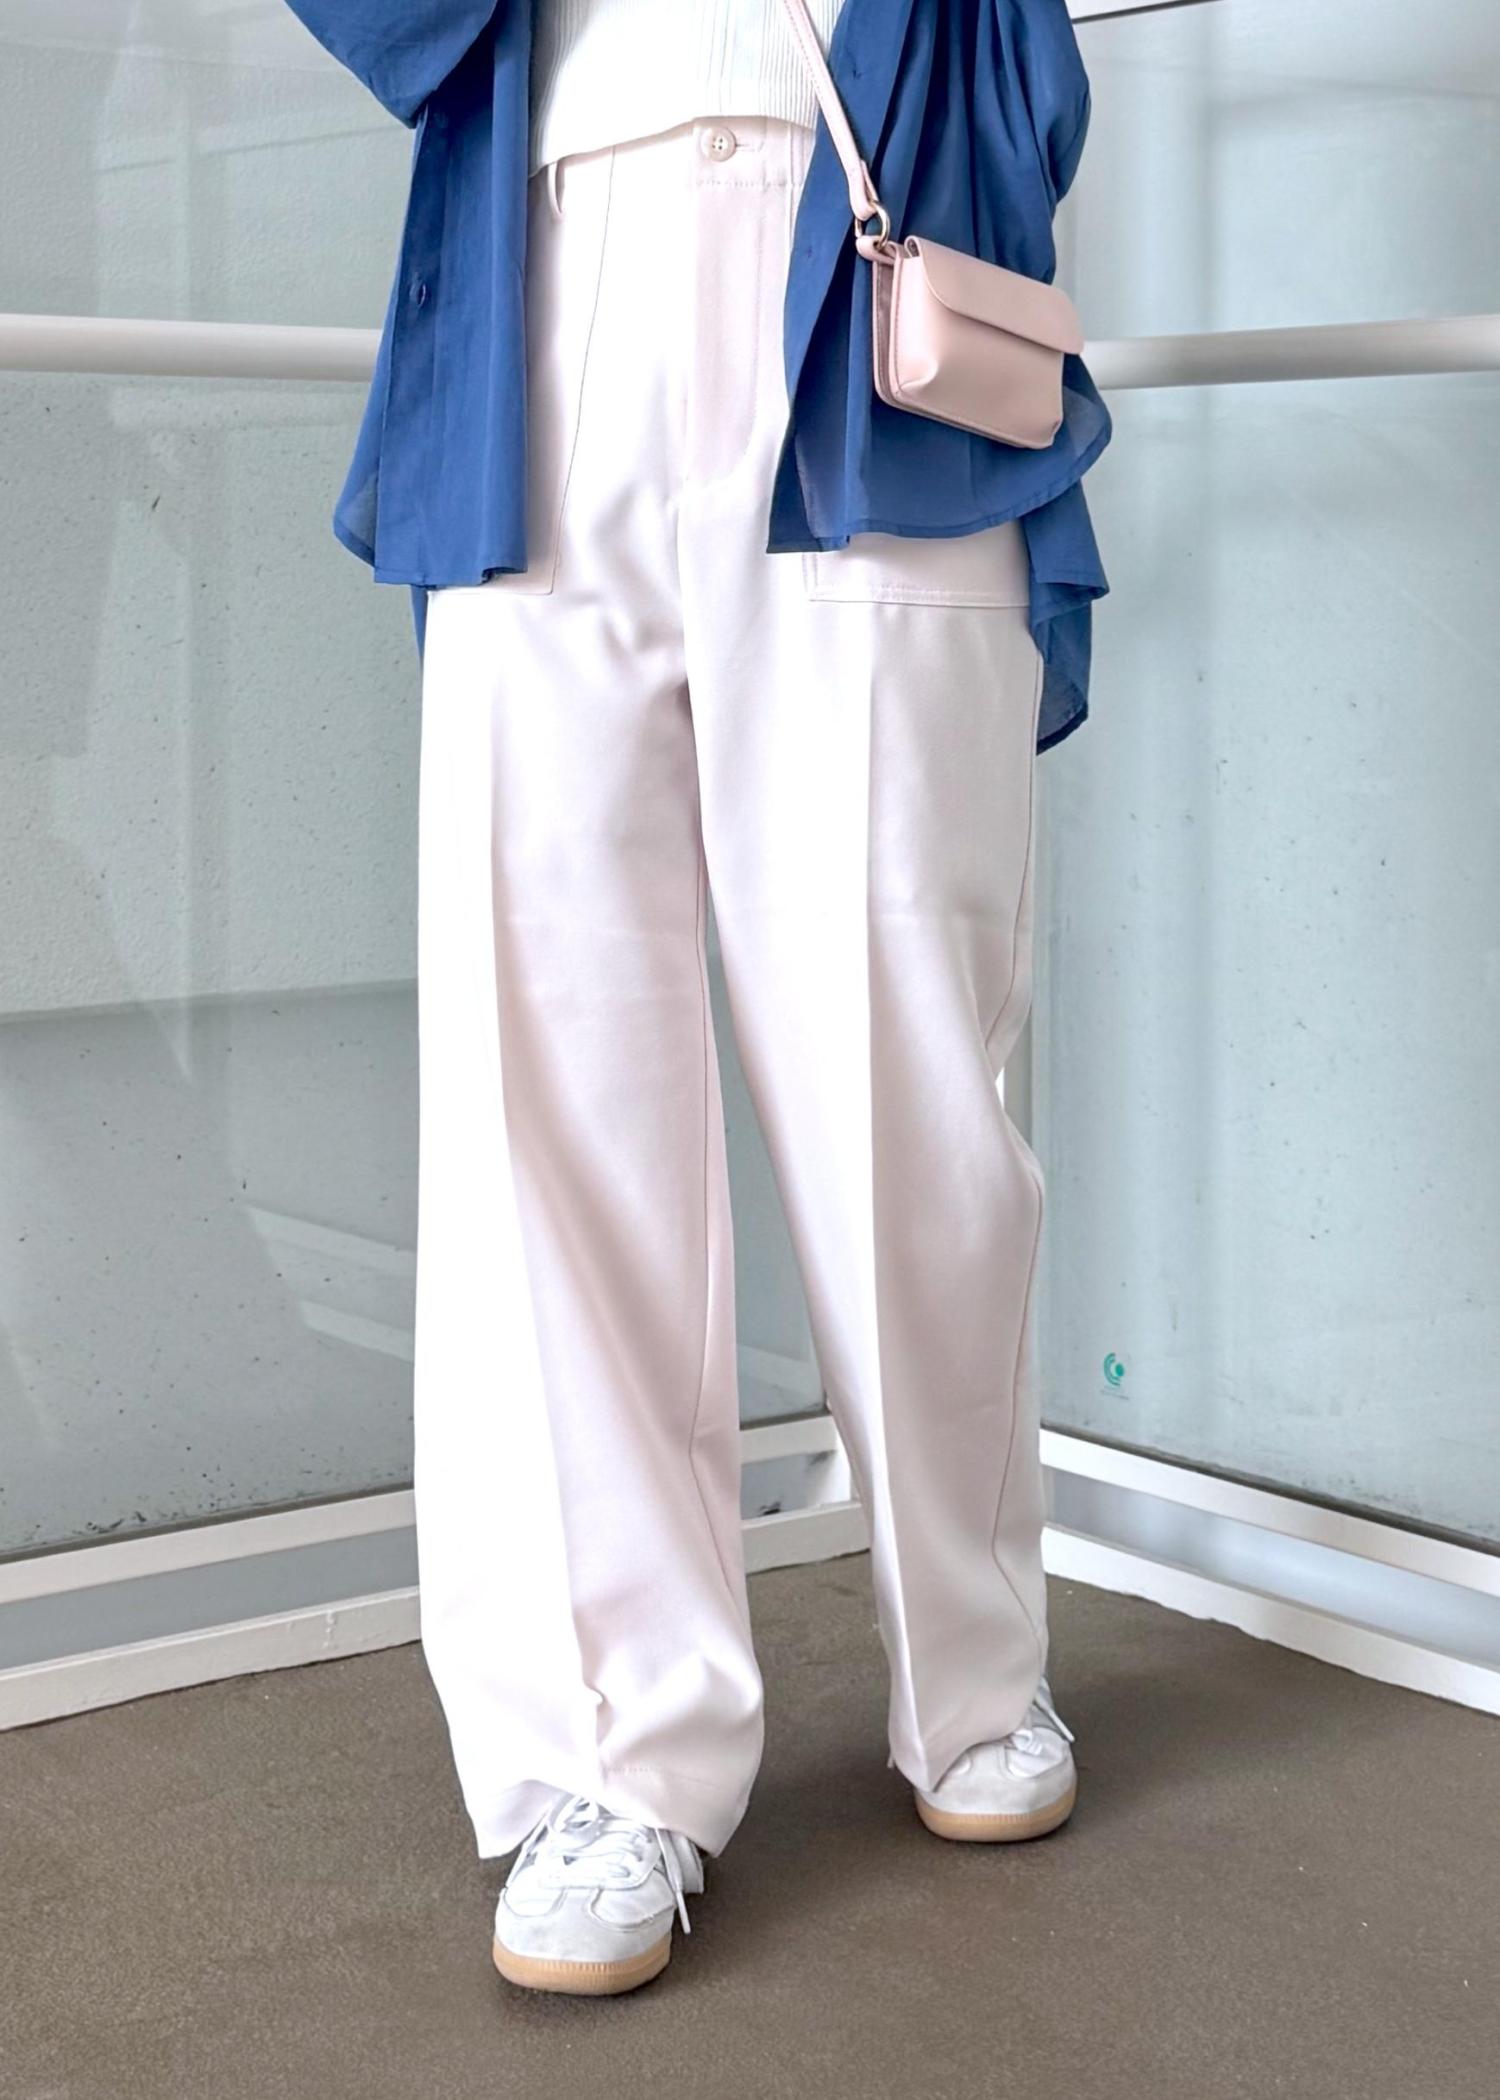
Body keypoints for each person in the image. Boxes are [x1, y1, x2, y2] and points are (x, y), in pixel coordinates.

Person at [282, 0, 1111, 1997]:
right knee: (550, 1062)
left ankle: (975, 1662)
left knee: (906, 1052)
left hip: (866, 258)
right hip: (549, 262)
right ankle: (609, 1750)